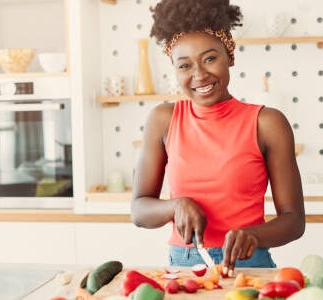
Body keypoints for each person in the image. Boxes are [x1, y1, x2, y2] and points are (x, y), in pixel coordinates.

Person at [131, 0, 305, 275]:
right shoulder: (162, 120)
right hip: (184, 267)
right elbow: (139, 210)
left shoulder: (267, 123)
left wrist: (254, 235)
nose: (199, 75)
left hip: (249, 267)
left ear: (230, 56)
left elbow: (294, 221)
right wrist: (175, 206)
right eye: (184, 65)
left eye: (210, 59)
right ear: (174, 68)